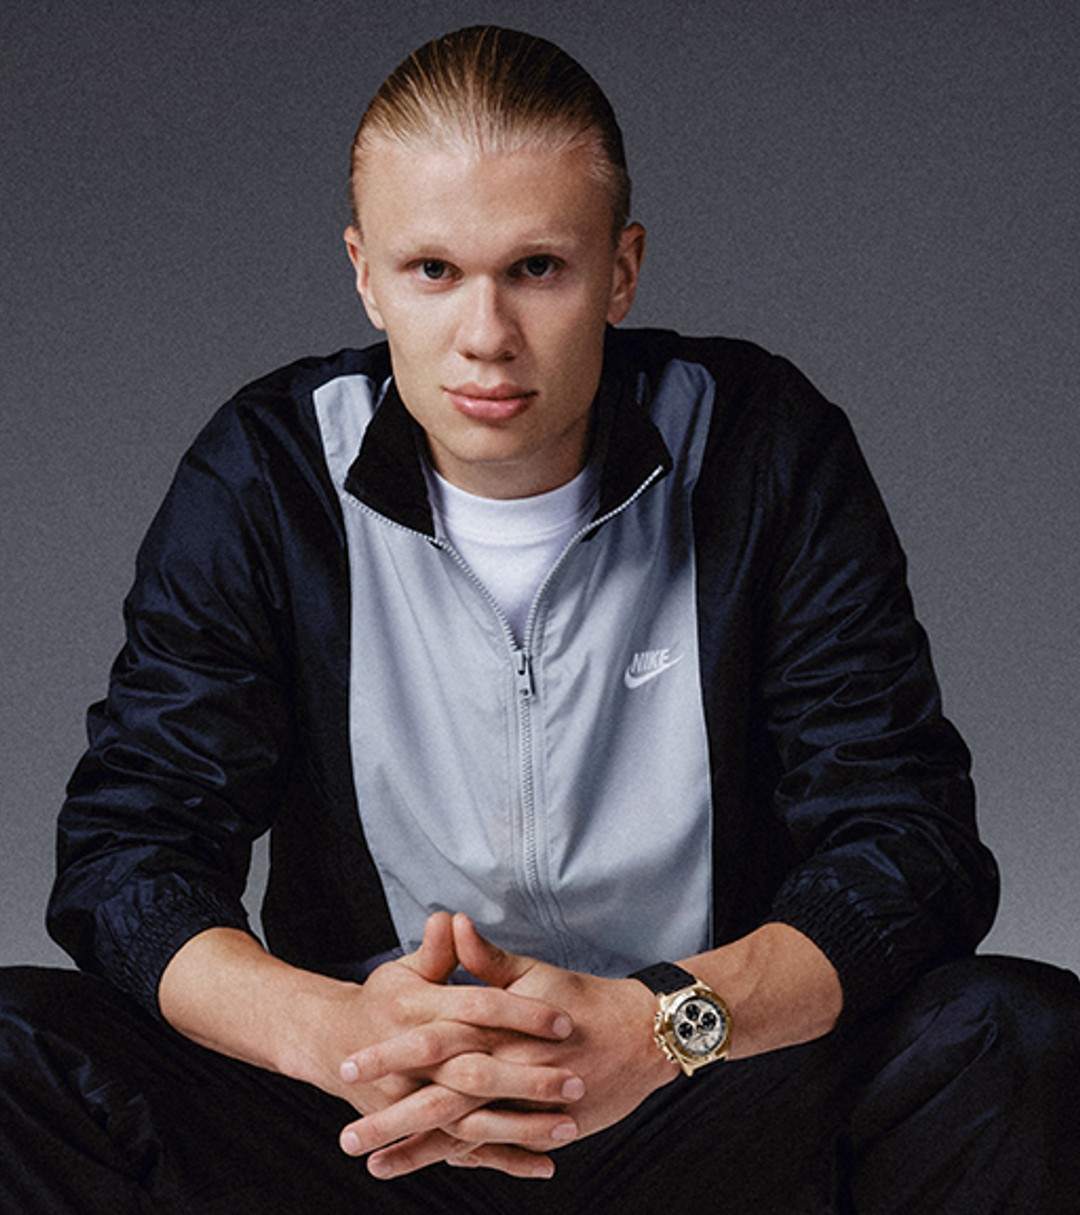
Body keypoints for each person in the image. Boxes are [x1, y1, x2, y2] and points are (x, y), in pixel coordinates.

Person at [1, 24, 1077, 1214]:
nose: (486, 335)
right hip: (375, 1121)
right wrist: (343, 1034)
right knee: (14, 1050)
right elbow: (130, 857)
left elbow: (908, 844)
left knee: (1015, 1035)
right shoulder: (270, 475)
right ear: (364, 274)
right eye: (432, 270)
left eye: (538, 268)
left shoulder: (760, 447)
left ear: (621, 270)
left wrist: (659, 1026)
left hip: (699, 1094)